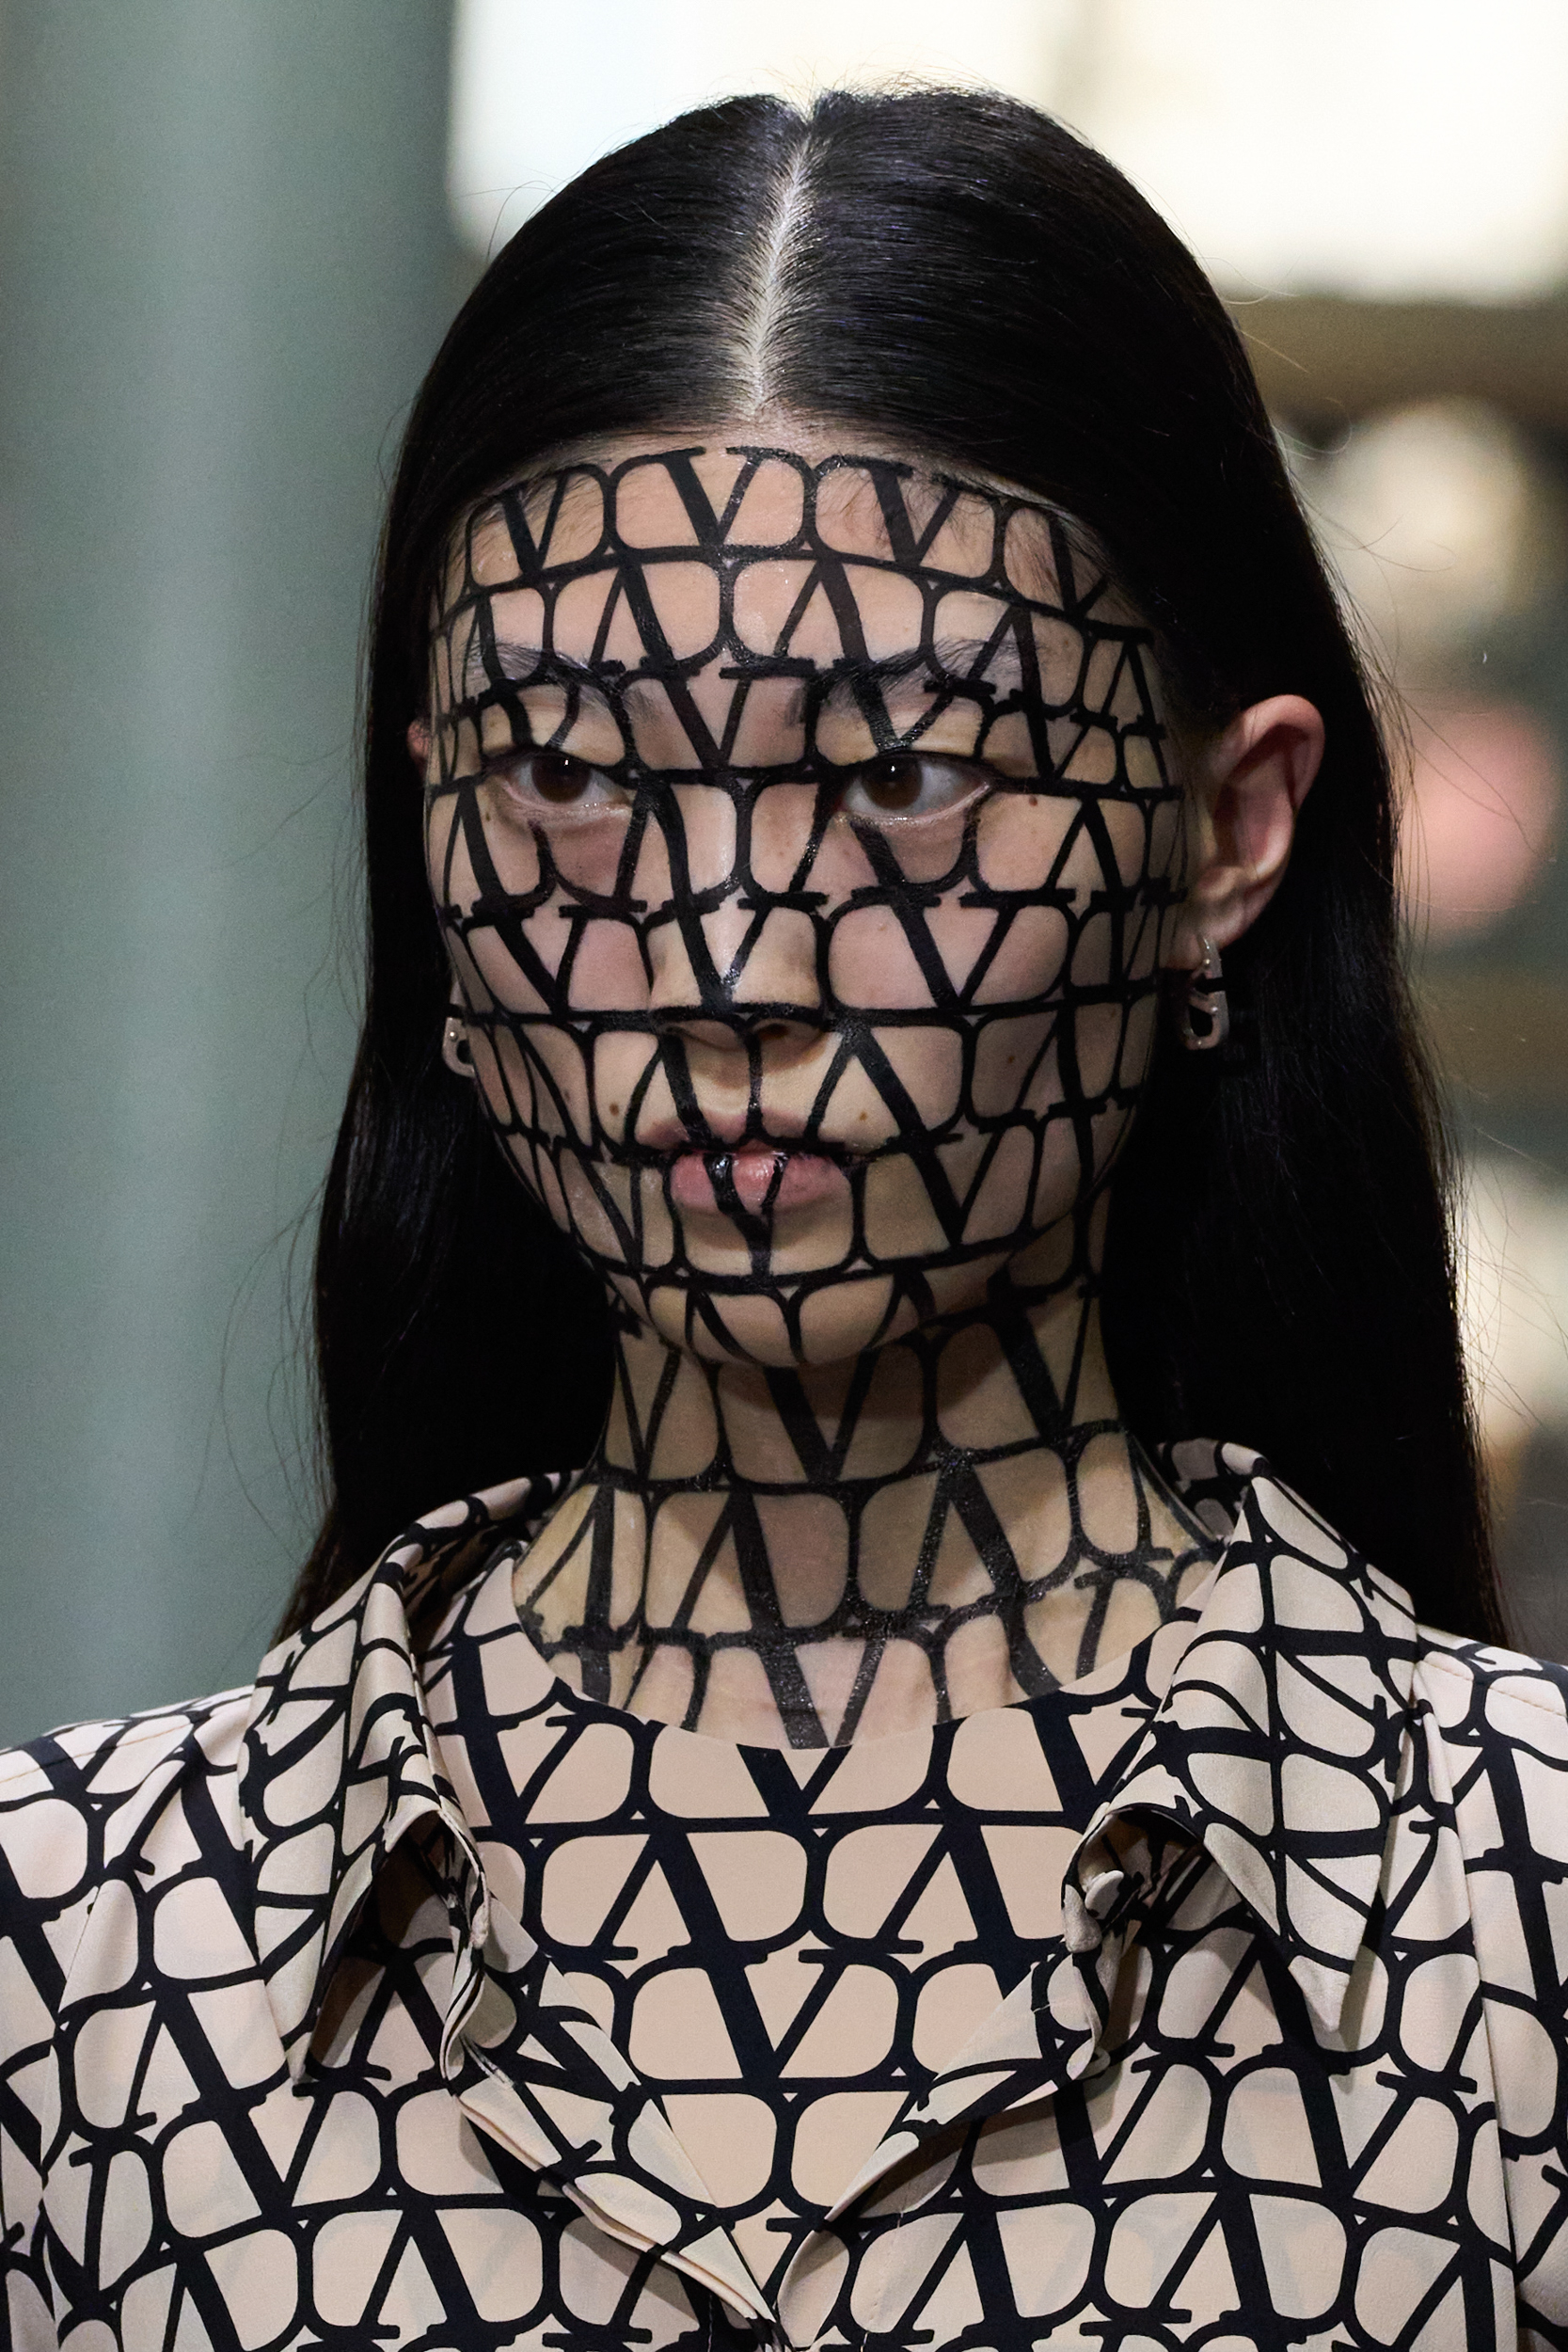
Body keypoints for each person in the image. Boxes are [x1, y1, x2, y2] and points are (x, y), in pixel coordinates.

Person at [2, 87, 1564, 2352]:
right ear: (433, 841)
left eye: (911, 775)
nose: (731, 960)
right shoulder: (77, 1973)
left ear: (1230, 831)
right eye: (569, 774)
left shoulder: (1517, 1955)